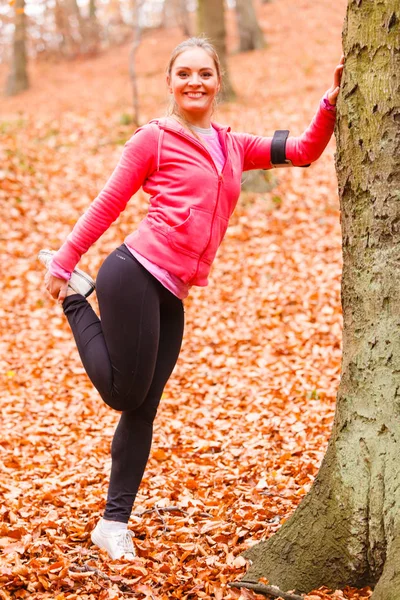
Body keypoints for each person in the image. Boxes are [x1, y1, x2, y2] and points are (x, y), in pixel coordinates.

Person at [40, 37, 344, 560]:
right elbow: (107, 204)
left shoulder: (232, 145)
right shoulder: (153, 140)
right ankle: (76, 299)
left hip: (171, 293)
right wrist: (63, 263)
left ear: (219, 81)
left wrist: (332, 101)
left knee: (143, 409)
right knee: (123, 395)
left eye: (204, 73)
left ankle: (113, 524)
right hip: (132, 273)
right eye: (184, 74)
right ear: (170, 83)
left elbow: (303, 151)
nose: (195, 82)